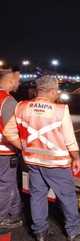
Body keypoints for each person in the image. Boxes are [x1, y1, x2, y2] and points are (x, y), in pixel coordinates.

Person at [3, 76, 80, 241]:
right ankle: (73, 232)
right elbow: (70, 140)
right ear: (52, 91)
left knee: (37, 196)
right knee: (67, 197)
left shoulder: (21, 106)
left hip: (33, 162)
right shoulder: (60, 110)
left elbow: (8, 133)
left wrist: (24, 147)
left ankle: (40, 233)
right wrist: (76, 158)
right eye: (57, 91)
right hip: (57, 163)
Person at [0, 68, 23, 229]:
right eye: (17, 79)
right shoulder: (8, 101)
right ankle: (2, 218)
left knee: (8, 184)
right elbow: (11, 131)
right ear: (9, 80)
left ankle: (14, 214)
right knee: (6, 185)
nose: (19, 83)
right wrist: (23, 147)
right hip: (4, 151)